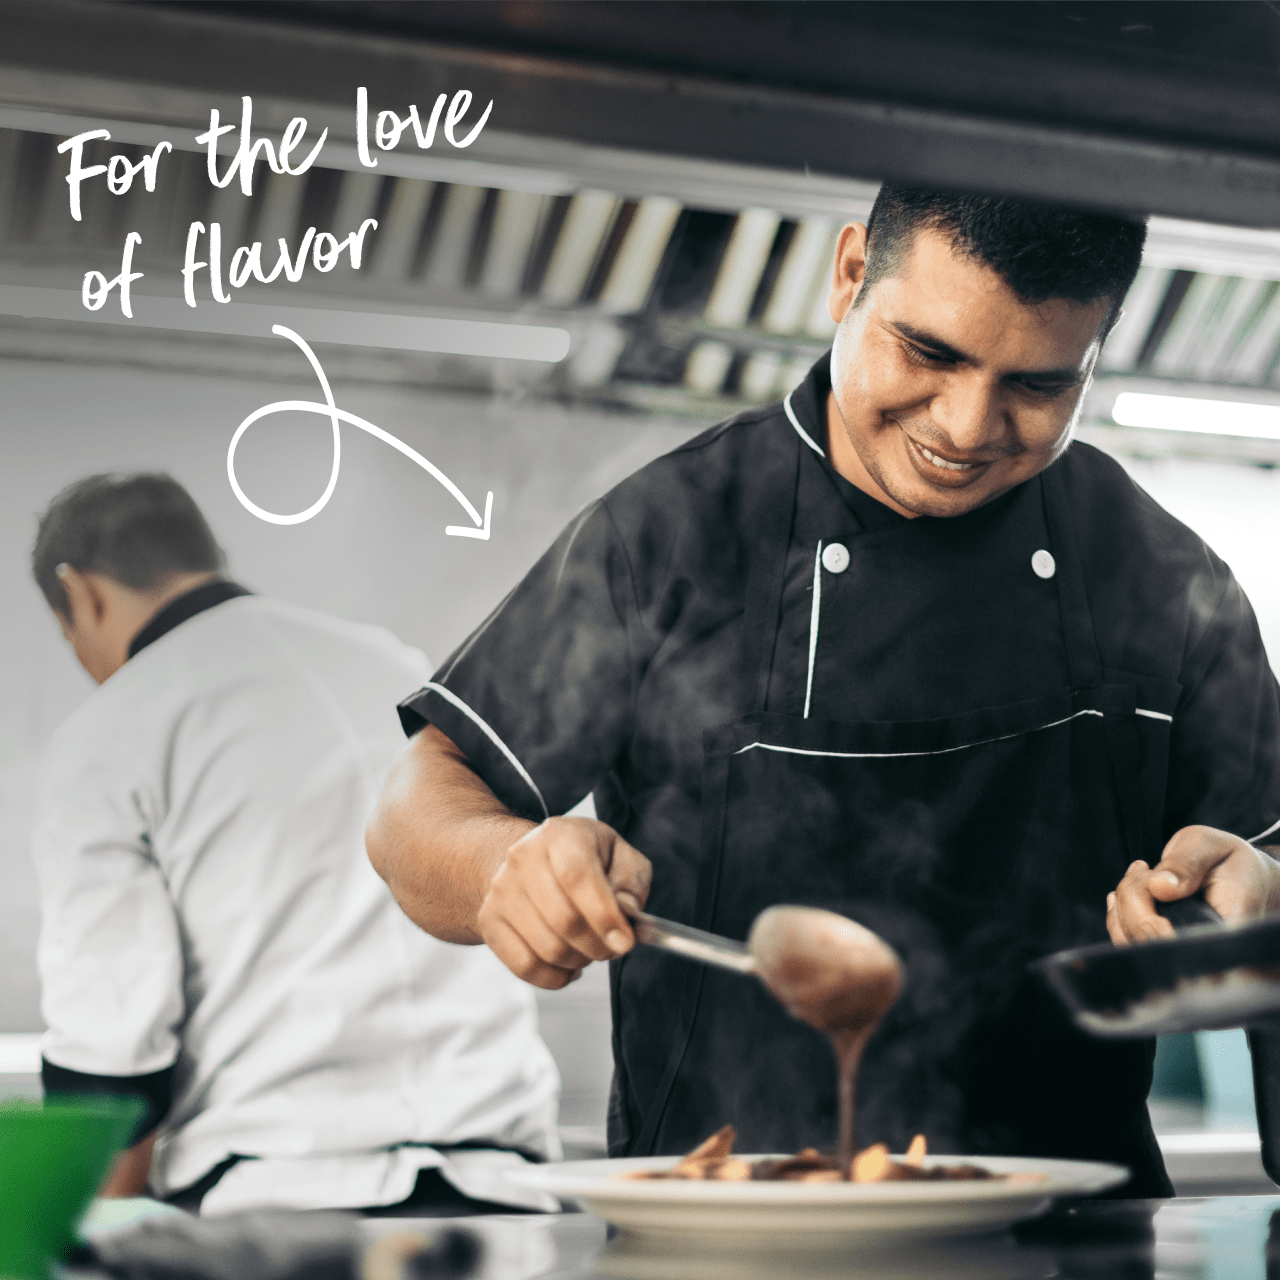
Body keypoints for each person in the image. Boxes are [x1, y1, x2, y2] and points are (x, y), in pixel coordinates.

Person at [366, 187, 1280, 1197]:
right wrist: (508, 860)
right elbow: (417, 807)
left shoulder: (1155, 571)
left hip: (1076, 1237)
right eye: (929, 353)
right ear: (849, 271)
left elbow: (1268, 863)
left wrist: (1254, 892)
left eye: (1036, 381)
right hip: (726, 1238)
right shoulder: (673, 531)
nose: (967, 425)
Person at [30, 473, 560, 1215]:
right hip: (503, 1193)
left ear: (79, 593)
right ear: (207, 555)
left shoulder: (109, 735)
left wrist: (79, 1243)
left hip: (280, 1210)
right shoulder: (401, 670)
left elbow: (112, 1053)